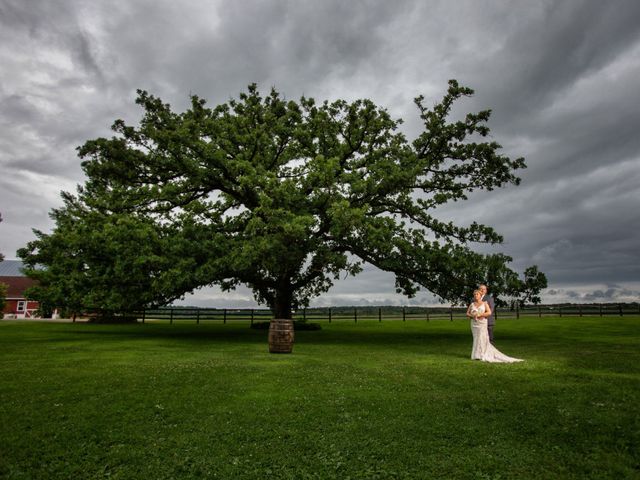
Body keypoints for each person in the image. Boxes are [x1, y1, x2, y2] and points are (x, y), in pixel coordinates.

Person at [467, 289, 523, 363]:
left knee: (482, 338)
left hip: (482, 323)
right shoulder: (472, 304)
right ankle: (475, 355)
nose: (475, 296)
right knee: (476, 338)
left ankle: (482, 354)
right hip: (474, 324)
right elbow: (467, 313)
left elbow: (489, 312)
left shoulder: (484, 303)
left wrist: (481, 314)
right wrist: (473, 315)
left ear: (480, 296)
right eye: (474, 294)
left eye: (477, 294)